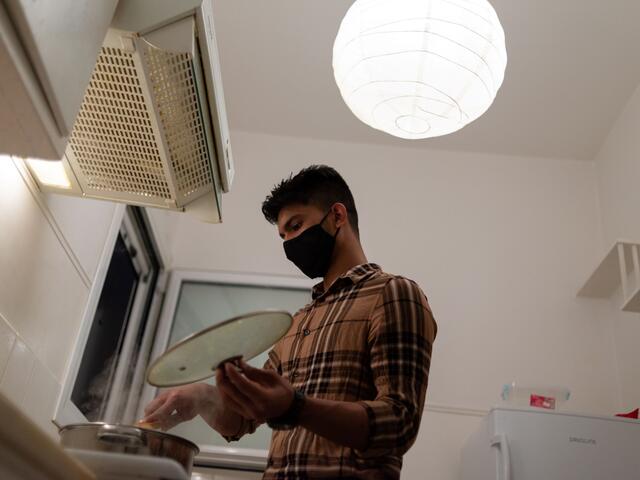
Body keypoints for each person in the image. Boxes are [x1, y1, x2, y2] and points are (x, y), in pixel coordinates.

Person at [142, 165, 437, 479]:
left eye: (296, 226)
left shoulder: (393, 293)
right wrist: (200, 396)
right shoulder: (298, 323)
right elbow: (243, 419)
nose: (289, 246)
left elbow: (400, 422)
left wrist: (295, 408)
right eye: (283, 236)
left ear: (337, 216)